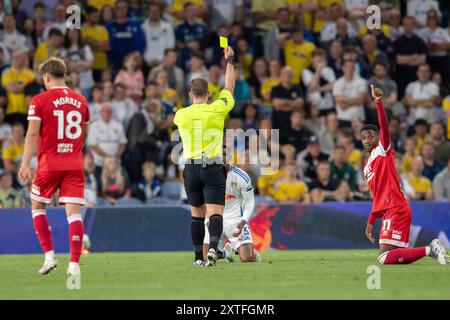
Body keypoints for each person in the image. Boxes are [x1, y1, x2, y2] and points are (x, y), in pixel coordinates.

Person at [18, 57, 90, 276]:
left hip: (49, 164)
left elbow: (31, 133)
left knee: (38, 206)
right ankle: (75, 264)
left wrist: (25, 163)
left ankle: (49, 256)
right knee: (74, 213)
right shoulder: (81, 100)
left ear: (46, 77)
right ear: (65, 75)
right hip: (74, 164)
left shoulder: (39, 100)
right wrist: (73, 150)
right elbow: (85, 134)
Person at [362, 85, 448, 265]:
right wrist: (371, 220)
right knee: (397, 255)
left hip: (396, 207)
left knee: (385, 257)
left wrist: (378, 104)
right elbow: (377, 194)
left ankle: (430, 249)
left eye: (370, 136)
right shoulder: (367, 165)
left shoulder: (382, 150)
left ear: (378, 138)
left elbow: (384, 127)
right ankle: (430, 249)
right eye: (363, 138)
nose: (367, 140)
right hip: (388, 210)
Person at [173, 46, 235, 267]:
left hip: (190, 168)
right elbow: (229, 87)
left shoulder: (181, 115)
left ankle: (198, 258)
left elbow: (175, 117)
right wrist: (230, 61)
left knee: (196, 215)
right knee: (216, 213)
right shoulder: (217, 108)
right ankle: (214, 251)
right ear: (209, 93)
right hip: (212, 166)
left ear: (190, 94)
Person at [203, 147, 260, 263]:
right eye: (219, 156)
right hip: (214, 219)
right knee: (205, 258)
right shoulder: (207, 176)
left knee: (247, 258)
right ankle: (225, 253)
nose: (222, 158)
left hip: (235, 220)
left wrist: (243, 221)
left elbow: (249, 201)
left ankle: (251, 252)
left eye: (225, 155)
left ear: (230, 158)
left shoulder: (241, 176)